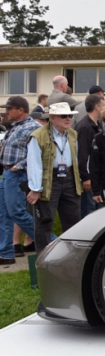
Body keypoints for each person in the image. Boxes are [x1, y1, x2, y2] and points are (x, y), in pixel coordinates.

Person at [25, 102, 82, 253]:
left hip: (70, 178)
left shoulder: (72, 134)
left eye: (70, 115)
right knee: (44, 222)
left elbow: (77, 160)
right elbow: (34, 164)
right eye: (64, 116)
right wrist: (36, 188)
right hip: (49, 181)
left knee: (73, 222)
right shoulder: (38, 136)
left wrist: (80, 180)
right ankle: (43, 260)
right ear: (52, 118)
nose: (68, 119)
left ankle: (72, 258)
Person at [0, 97, 39, 264]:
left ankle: (52, 242)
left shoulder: (33, 127)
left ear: (20, 110)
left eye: (10, 109)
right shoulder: (15, 127)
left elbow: (37, 154)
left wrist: (18, 167)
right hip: (6, 173)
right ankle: (6, 253)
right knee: (4, 215)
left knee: (17, 213)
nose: (7, 112)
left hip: (17, 174)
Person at [76, 94, 104, 218]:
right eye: (103, 105)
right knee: (89, 211)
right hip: (90, 177)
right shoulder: (85, 127)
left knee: (97, 210)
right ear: (97, 107)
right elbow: (82, 154)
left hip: (97, 176)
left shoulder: (97, 125)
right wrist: (85, 177)